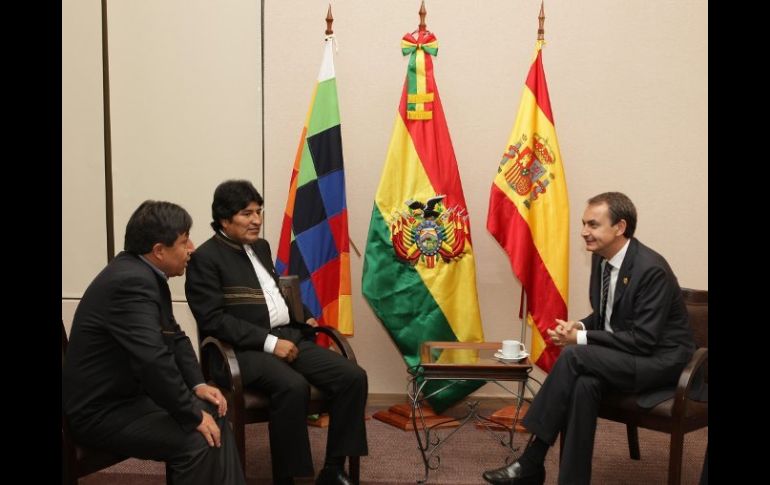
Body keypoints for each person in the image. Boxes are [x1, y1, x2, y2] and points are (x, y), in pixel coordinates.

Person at [482, 192, 696, 485]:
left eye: (593, 225)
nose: (584, 232)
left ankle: (532, 459)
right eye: (584, 224)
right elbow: (606, 317)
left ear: (619, 227)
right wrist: (577, 327)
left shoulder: (651, 270)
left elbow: (644, 339)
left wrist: (581, 338)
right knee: (584, 384)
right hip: (628, 355)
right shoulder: (601, 260)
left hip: (661, 362)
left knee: (573, 355)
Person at [184, 180, 368, 485]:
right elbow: (214, 320)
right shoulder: (205, 259)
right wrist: (270, 343)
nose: (257, 220)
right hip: (239, 351)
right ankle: (287, 477)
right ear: (224, 219)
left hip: (287, 338)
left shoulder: (261, 246)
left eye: (259, 211)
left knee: (352, 376)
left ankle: (333, 469)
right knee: (292, 386)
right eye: (247, 213)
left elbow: (273, 294)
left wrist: (305, 318)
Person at [62, 200, 246, 485]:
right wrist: (190, 413)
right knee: (196, 438)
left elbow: (176, 337)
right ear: (159, 250)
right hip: (100, 412)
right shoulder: (130, 283)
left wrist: (198, 385)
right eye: (184, 241)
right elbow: (154, 360)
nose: (192, 248)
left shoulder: (145, 274)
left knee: (215, 414)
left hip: (128, 398)